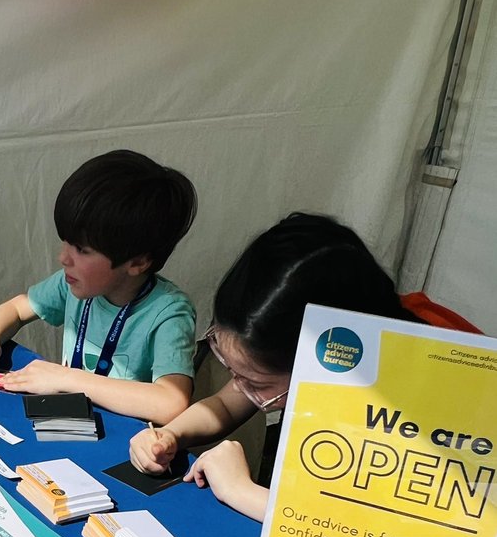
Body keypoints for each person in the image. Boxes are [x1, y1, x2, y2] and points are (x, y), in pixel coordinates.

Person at [128, 212, 481, 520]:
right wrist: (169, 435)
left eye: (255, 381)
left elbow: (374, 534)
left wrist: (242, 491)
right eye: (232, 369)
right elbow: (224, 404)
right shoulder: (330, 342)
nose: (240, 386)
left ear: (325, 362)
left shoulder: (434, 390)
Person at [0, 150, 198, 424]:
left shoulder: (168, 312)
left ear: (138, 262)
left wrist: (65, 378)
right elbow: (16, 307)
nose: (64, 257)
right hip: (70, 427)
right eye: (66, 242)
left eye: (82, 249)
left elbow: (172, 402)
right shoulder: (76, 283)